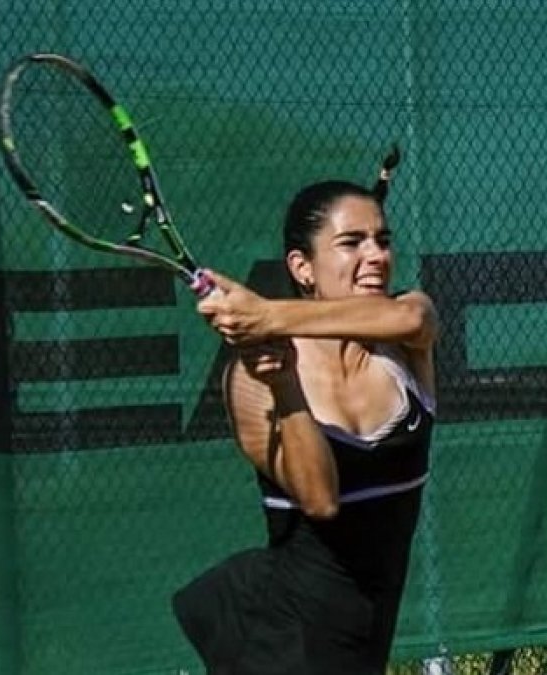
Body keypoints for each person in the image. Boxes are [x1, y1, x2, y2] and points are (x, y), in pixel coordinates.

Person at [171, 148, 438, 675]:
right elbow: (318, 499)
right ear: (302, 267)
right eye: (351, 243)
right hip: (279, 646)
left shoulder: (410, 330)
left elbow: (414, 319)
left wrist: (268, 314)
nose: (377, 255)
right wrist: (285, 385)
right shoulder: (251, 378)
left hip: (360, 651)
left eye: (382, 240)